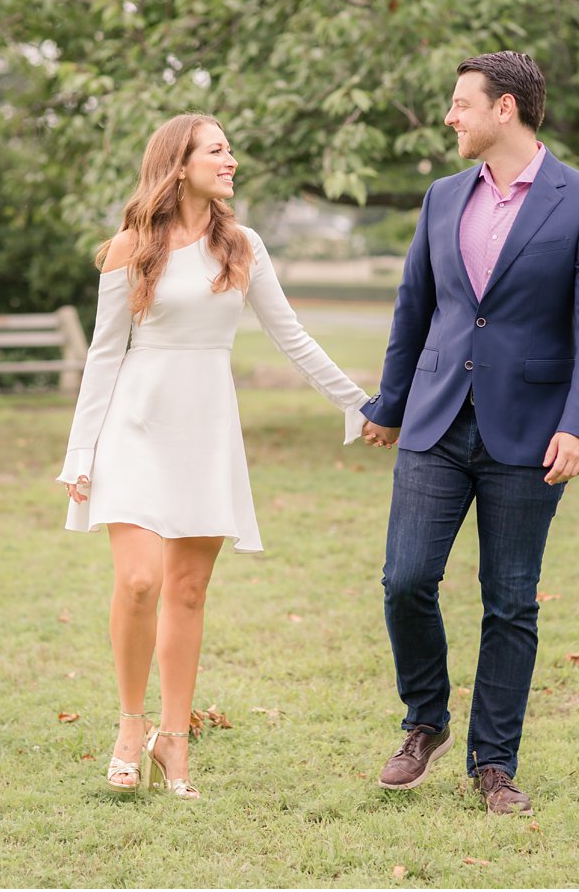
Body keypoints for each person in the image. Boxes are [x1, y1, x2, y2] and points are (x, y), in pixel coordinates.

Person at [58, 113, 372, 799]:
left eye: (231, 149)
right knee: (140, 580)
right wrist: (81, 451)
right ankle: (130, 727)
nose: (231, 160)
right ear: (178, 162)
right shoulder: (130, 246)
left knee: (189, 590)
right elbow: (105, 355)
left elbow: (292, 337)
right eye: (217, 150)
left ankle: (175, 738)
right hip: (135, 424)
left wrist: (359, 402)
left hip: (206, 428)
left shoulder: (243, 244)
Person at [360, 51, 579, 815]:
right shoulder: (442, 197)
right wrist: (388, 402)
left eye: (460, 104)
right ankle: (426, 719)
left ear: (504, 109)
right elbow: (415, 304)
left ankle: (494, 762)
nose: (451, 117)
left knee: (509, 601)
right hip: (437, 419)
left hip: (532, 431)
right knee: (405, 579)